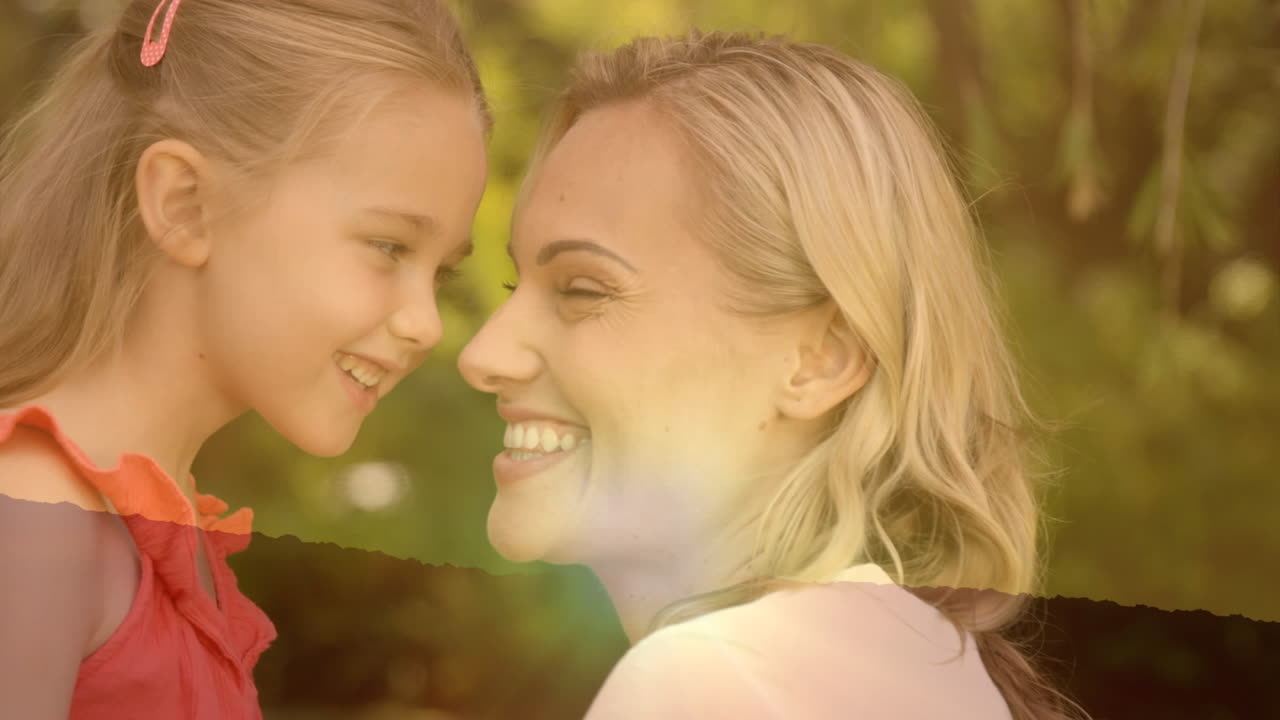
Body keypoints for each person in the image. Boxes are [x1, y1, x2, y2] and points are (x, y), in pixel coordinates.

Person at [458, 31, 1084, 719]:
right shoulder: (935, 668)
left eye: (582, 290)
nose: (484, 354)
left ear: (822, 358)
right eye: (517, 284)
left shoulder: (701, 682)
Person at [0, 0, 488, 717]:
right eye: (389, 247)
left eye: (440, 271)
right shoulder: (38, 523)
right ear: (185, 204)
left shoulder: (162, 544)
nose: (425, 324)